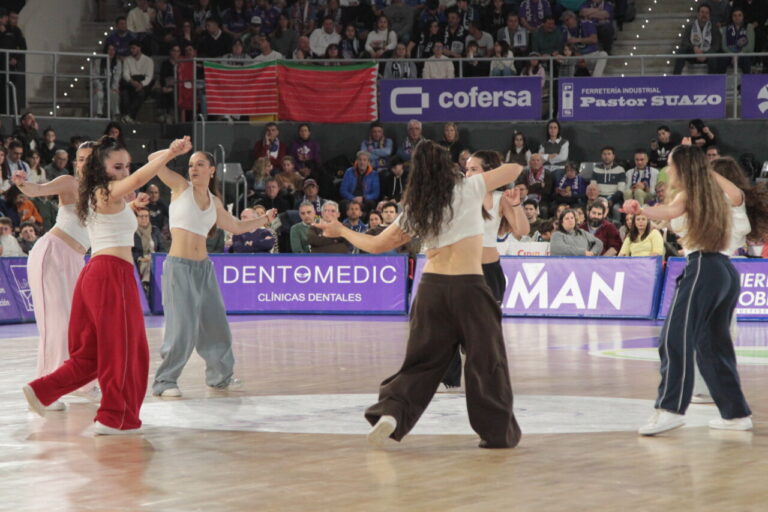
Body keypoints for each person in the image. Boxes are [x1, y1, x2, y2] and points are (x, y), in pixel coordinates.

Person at [316, 140, 523, 449]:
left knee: (421, 363)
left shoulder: (417, 206)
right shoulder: (470, 188)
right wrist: (478, 176)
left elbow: (375, 246)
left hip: (431, 290)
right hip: (470, 288)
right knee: (487, 363)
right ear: (449, 168)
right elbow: (515, 169)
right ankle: (496, 434)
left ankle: (392, 412)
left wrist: (341, 231)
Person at [22, 136, 191, 434]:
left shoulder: (98, 193)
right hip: (112, 274)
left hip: (95, 273)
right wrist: (171, 153)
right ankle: (115, 417)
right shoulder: (106, 190)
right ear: (102, 168)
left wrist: (133, 205)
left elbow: (119, 209)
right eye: (118, 166)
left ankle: (43, 390)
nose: (125, 171)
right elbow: (141, 176)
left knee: (93, 353)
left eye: (126, 165)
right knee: (126, 349)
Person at [624, 145, 752, 435]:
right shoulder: (707, 196)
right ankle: (735, 415)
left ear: (683, 168)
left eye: (671, 165)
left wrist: (640, 207)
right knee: (712, 347)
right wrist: (643, 209)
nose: (668, 171)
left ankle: (670, 409)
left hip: (704, 269)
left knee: (674, 338)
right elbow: (671, 210)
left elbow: (672, 209)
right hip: (725, 274)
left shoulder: (697, 194)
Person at [151, 150, 277, 398]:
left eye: (200, 164)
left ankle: (220, 378)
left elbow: (237, 226)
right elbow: (152, 163)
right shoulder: (180, 187)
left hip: (204, 269)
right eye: (190, 164)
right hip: (179, 267)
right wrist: (173, 150)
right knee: (182, 328)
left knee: (216, 325)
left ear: (212, 169)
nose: (193, 168)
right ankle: (165, 381)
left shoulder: (214, 201)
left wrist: (262, 219)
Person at [439, 150, 528, 392]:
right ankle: (449, 381)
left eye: (474, 169)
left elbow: (522, 231)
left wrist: (517, 204)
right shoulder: (458, 196)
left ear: (489, 172)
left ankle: (484, 381)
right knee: (449, 327)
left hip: (489, 274)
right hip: (460, 270)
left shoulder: (501, 199)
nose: (468, 174)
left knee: (482, 333)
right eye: (466, 169)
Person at [673, 3, 723, 75]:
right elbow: (684, 42)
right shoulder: (690, 27)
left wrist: (706, 54)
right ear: (698, 14)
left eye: (706, 13)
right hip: (693, 54)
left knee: (714, 56)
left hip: (707, 55)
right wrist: (694, 48)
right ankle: (675, 78)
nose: (704, 15)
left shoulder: (714, 28)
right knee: (681, 51)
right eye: (702, 12)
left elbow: (716, 45)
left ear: (709, 16)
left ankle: (713, 82)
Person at [120, 41, 154, 123]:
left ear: (139, 48)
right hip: (131, 82)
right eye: (131, 48)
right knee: (125, 94)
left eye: (134, 48)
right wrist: (132, 82)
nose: (132, 50)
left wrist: (141, 84)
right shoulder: (127, 60)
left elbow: (149, 76)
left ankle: (129, 116)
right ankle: (129, 117)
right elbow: (125, 73)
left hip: (143, 82)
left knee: (141, 93)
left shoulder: (148, 60)